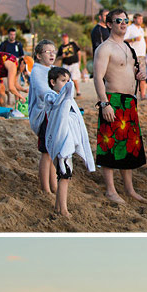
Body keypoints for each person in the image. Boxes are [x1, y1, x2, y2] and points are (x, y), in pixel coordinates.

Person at [92, 9, 146, 205]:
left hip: (129, 101)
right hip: (112, 99)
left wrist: (140, 75)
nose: (123, 24)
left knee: (129, 146)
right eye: (118, 21)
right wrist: (104, 102)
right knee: (109, 146)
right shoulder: (105, 48)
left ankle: (129, 189)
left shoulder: (128, 48)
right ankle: (110, 189)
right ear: (109, 24)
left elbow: (131, 71)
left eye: (125, 21)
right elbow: (98, 77)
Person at [43, 67, 95, 218]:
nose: (67, 84)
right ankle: (63, 209)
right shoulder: (51, 96)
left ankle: (58, 207)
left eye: (68, 80)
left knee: (64, 177)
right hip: (59, 143)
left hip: (67, 141)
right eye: (63, 81)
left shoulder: (67, 99)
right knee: (64, 176)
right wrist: (65, 96)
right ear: (52, 82)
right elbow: (54, 105)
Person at [28, 39, 59, 197]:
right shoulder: (37, 71)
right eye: (48, 51)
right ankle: (45, 188)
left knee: (53, 151)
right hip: (43, 116)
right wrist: (56, 98)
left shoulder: (53, 69)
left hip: (53, 114)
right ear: (39, 56)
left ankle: (54, 185)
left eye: (54, 51)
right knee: (46, 153)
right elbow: (42, 90)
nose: (52, 54)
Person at [125, 14, 147, 98]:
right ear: (134, 19)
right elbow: (124, 40)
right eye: (139, 19)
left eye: (142, 19)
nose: (141, 21)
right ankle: (132, 94)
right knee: (133, 75)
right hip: (134, 55)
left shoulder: (141, 29)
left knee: (142, 75)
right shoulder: (130, 28)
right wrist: (133, 39)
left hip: (142, 55)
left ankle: (142, 94)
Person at [56, 31, 85, 96]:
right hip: (66, 65)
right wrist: (62, 56)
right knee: (66, 79)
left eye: (65, 37)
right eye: (63, 38)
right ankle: (68, 93)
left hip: (74, 63)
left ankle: (78, 91)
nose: (65, 39)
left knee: (74, 79)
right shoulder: (61, 47)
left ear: (67, 38)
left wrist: (79, 61)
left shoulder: (72, 44)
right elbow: (58, 58)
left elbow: (79, 52)